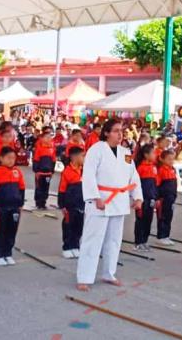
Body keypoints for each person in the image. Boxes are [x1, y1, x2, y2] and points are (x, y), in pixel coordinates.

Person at [76, 119, 142, 291]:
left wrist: (137, 196)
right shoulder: (96, 150)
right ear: (106, 133)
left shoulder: (126, 152)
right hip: (101, 199)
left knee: (114, 240)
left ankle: (108, 273)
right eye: (116, 130)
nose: (120, 134)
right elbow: (88, 175)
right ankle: (84, 277)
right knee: (92, 239)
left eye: (121, 131)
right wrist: (94, 197)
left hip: (119, 200)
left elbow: (133, 176)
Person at [0, 147, 25, 267]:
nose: (11, 160)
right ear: (1, 158)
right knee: (0, 231)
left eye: (13, 158)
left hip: (14, 207)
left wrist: (20, 204)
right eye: (8, 158)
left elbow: (22, 189)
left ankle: (8, 253)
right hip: (1, 207)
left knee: (12, 231)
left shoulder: (17, 172)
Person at [58, 146, 84, 259]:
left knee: (79, 226)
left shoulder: (83, 170)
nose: (84, 158)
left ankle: (75, 246)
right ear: (74, 157)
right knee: (69, 226)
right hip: (70, 205)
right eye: (82, 156)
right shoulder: (67, 172)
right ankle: (67, 247)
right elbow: (62, 189)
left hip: (81, 204)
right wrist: (62, 205)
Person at [133, 144, 158, 251]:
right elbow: (136, 184)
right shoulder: (140, 168)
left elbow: (155, 184)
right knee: (140, 220)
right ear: (146, 155)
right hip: (142, 199)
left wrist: (156, 198)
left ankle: (145, 241)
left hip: (151, 199)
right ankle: (138, 242)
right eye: (153, 153)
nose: (155, 155)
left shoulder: (153, 167)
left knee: (148, 220)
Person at [155, 149, 178, 246]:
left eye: (173, 159)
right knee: (162, 217)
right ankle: (161, 236)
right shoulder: (161, 170)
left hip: (171, 198)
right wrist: (157, 198)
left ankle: (166, 235)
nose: (171, 161)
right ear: (162, 159)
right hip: (163, 198)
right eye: (169, 159)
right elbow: (156, 185)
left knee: (169, 216)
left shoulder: (173, 169)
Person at [32, 131, 56, 210]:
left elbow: (53, 161)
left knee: (46, 188)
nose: (49, 139)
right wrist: (36, 171)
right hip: (40, 172)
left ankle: (43, 202)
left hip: (48, 173)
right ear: (42, 138)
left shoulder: (52, 149)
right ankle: (38, 202)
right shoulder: (39, 148)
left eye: (50, 137)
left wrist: (52, 171)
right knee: (39, 187)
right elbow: (35, 160)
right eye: (46, 137)